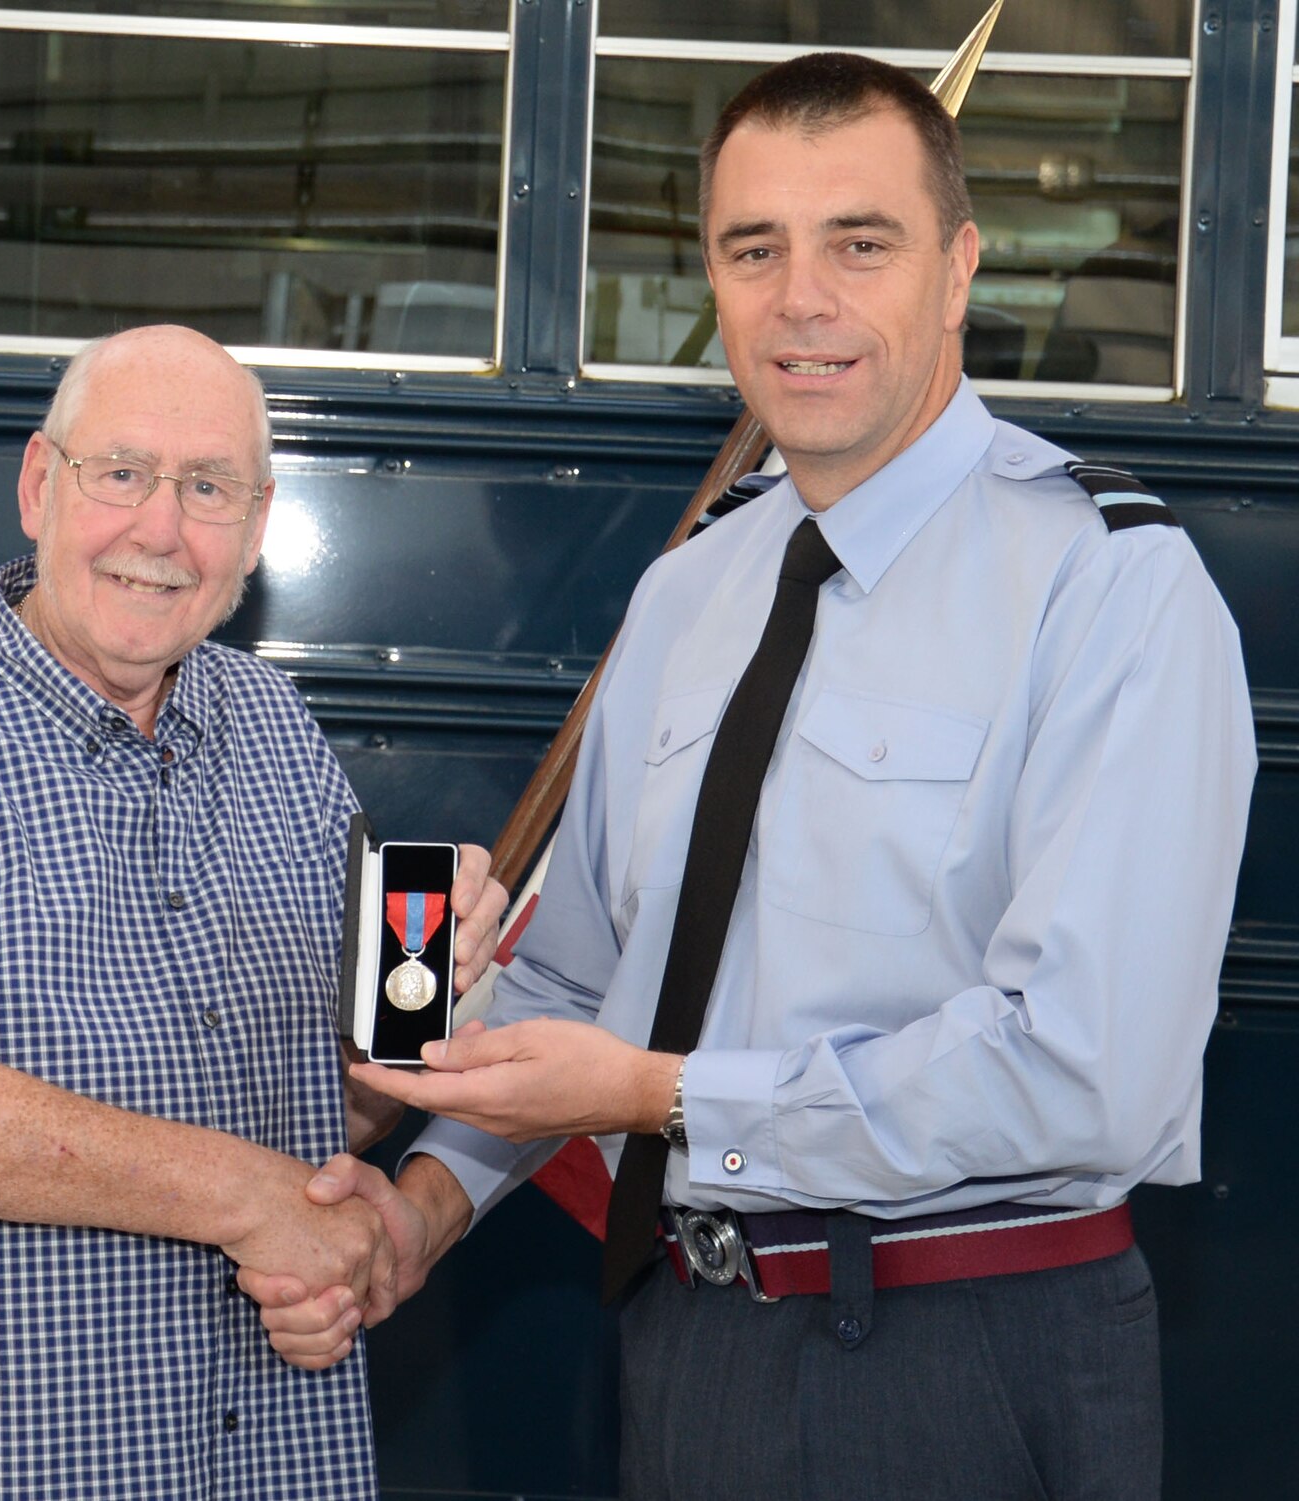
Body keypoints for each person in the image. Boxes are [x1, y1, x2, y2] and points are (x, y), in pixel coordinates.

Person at [243, 52, 1256, 1501]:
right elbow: (576, 982)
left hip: (966, 1348)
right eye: (753, 247)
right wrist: (422, 1203)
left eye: (862, 241)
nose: (802, 299)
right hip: (695, 1344)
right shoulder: (692, 595)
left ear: (959, 268)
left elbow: (1088, 1068)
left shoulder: (1111, 589)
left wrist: (665, 1097)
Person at [0, 324, 504, 1500]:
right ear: (39, 486)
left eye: (206, 489)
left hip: (257, 1460)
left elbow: (330, 1104)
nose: (159, 529)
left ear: (254, 532)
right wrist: (252, 1201)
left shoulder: (272, 733)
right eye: (122, 473)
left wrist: (420, 989)